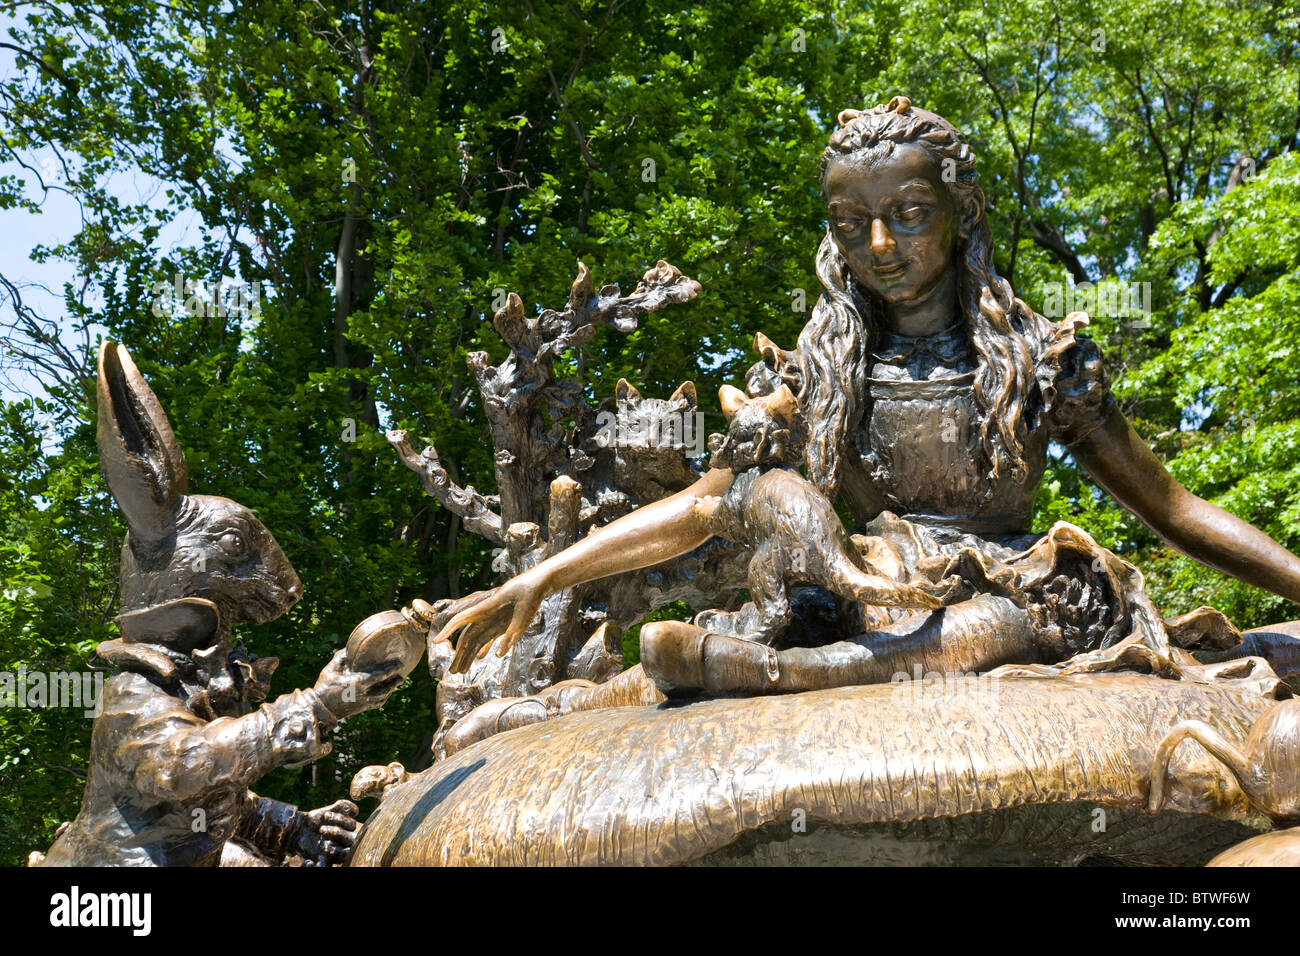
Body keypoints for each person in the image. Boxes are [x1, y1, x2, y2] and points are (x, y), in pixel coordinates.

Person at [429, 96, 1300, 712]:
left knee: (989, 626)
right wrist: (546, 571)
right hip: (869, 582)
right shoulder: (821, 370)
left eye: (910, 213)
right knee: (759, 597)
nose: (879, 245)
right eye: (852, 224)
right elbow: (706, 507)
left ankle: (787, 677)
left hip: (1004, 594)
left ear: (959, 212)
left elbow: (1175, 509)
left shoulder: (1044, 361)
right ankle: (787, 661)